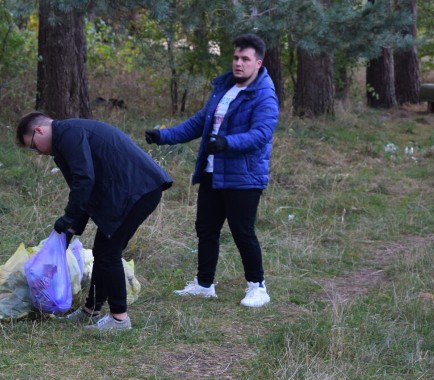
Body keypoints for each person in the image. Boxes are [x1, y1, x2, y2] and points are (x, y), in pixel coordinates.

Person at [145, 33, 279, 307]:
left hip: (244, 176)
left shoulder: (264, 94)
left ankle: (258, 287)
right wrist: (164, 136)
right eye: (235, 57)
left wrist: (227, 142)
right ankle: (204, 285)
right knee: (206, 229)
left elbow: (262, 134)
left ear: (258, 63)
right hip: (212, 172)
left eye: (245, 59)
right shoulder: (225, 88)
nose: (238, 63)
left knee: (242, 231)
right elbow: (199, 124)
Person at [16, 112, 173, 331]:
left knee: (108, 253)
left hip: (138, 190)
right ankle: (91, 310)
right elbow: (86, 188)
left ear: (39, 130)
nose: (37, 152)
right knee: (103, 251)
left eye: (33, 146)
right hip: (130, 191)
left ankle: (120, 319)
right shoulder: (67, 136)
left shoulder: (68, 135)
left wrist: (69, 217)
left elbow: (84, 180)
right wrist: (72, 227)